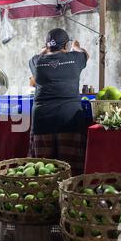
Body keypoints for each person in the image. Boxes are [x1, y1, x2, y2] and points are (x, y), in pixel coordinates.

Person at [28, 28, 89, 175]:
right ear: (65, 45)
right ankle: (69, 195)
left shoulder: (36, 61)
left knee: (43, 169)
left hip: (43, 119)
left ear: (47, 46)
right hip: (70, 118)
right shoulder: (76, 58)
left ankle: (47, 195)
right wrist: (75, 47)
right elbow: (86, 54)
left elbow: (38, 55)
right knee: (70, 169)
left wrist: (45, 50)